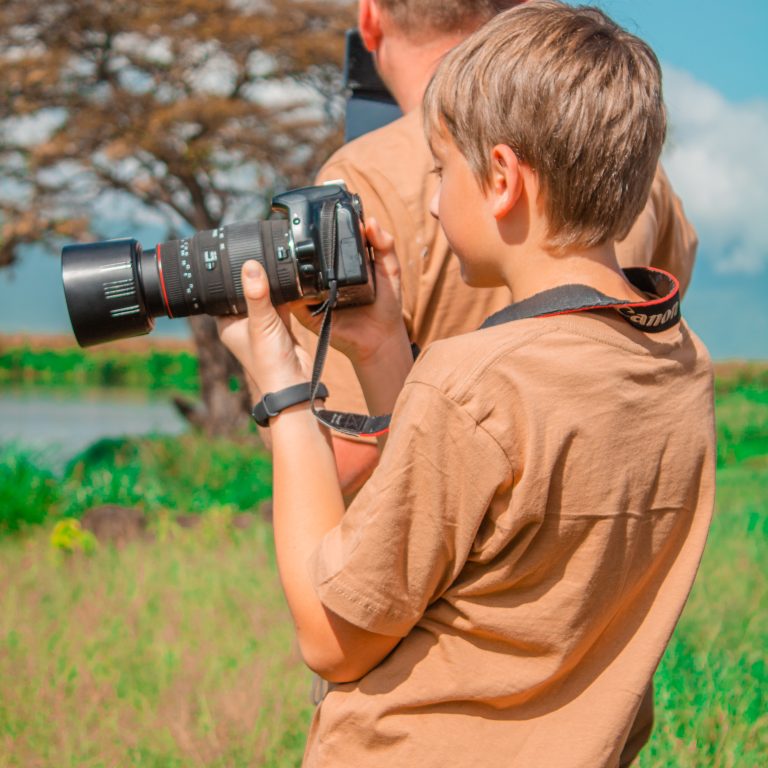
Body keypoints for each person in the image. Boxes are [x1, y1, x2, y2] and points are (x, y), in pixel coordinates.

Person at [219, 3, 715, 765]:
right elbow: (486, 521)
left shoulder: (471, 384)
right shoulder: (682, 365)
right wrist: (386, 350)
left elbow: (331, 636)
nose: (430, 199)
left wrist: (283, 391)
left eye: (444, 170)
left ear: (503, 180)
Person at [290, 0, 699, 499]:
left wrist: (275, 379)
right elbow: (653, 327)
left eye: (443, 173)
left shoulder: (359, 178)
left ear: (370, 16)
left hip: (436, 562)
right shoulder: (625, 159)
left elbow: (348, 460)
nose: (440, 202)